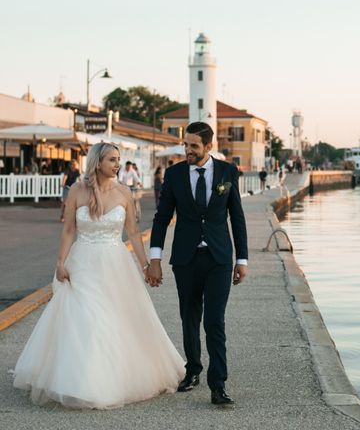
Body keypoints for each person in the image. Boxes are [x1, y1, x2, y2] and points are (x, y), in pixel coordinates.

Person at [12, 142, 184, 409]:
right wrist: (60, 262)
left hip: (115, 264)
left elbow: (134, 233)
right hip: (83, 263)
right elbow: (69, 230)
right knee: (86, 316)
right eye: (112, 160)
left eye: (118, 159)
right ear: (97, 163)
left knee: (114, 317)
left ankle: (113, 376)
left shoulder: (125, 192)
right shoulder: (77, 192)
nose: (117, 164)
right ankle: (81, 380)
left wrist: (146, 265)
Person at [148, 121, 248, 406]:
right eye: (185, 145)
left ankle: (218, 385)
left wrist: (242, 259)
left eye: (194, 146)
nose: (188, 151)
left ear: (208, 146)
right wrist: (155, 258)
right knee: (189, 317)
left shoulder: (227, 172)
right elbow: (161, 217)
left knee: (215, 321)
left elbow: (237, 218)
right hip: (185, 259)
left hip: (218, 258)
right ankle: (193, 370)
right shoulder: (175, 174)